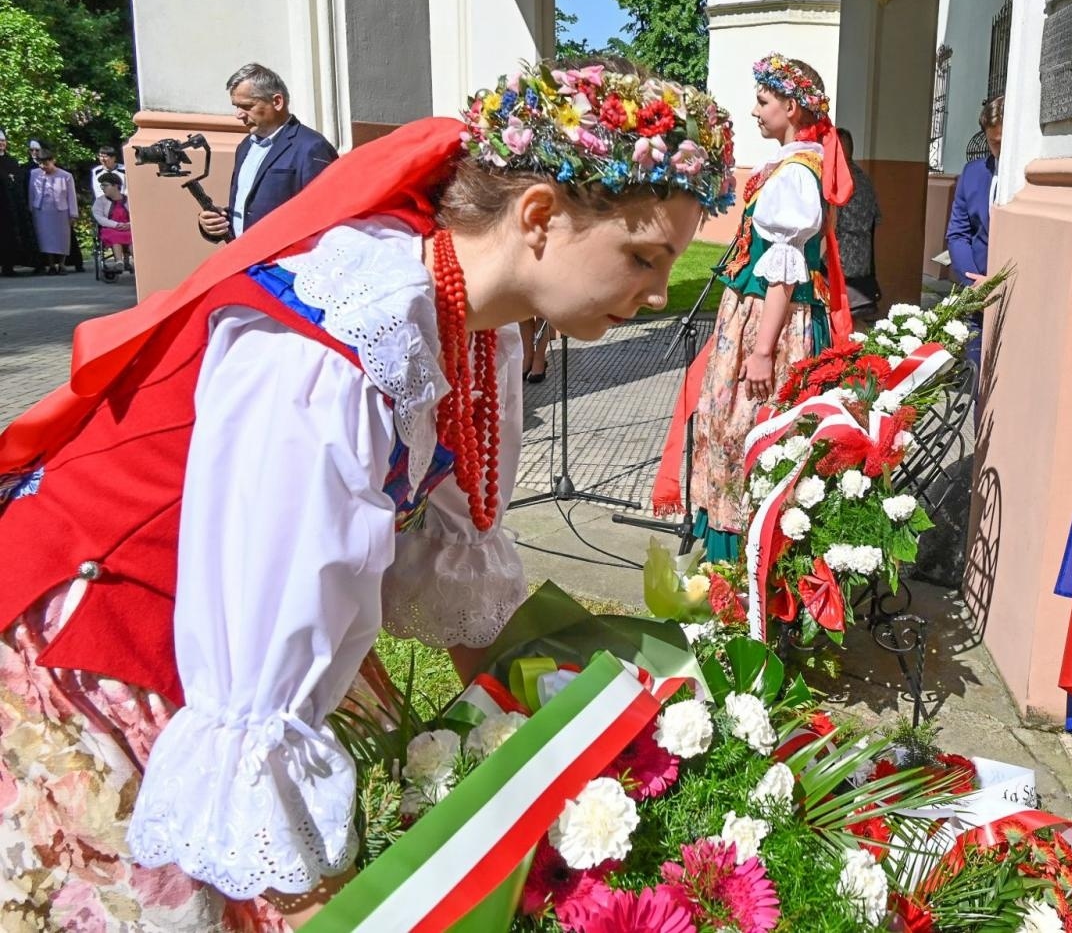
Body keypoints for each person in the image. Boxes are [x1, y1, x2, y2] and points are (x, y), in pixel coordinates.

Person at [0, 56, 736, 929]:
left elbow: (451, 556)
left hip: (266, 641)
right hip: (137, 639)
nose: (657, 294)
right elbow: (268, 623)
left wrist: (556, 728)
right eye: (643, 257)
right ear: (538, 216)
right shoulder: (341, 335)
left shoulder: (473, 323)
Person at [661, 52, 853, 563]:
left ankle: (740, 561)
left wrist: (763, 351)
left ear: (792, 107)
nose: (754, 110)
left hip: (769, 321)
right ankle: (730, 559)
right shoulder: (794, 166)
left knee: (745, 431)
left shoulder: (795, 175)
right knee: (730, 426)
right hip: (754, 316)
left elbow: (784, 275)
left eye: (763, 101)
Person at [198, 63, 339, 243]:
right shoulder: (245, 146)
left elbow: (325, 217)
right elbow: (249, 211)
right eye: (236, 106)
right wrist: (215, 224)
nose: (238, 115)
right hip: (244, 255)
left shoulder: (311, 147)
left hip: (284, 258)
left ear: (277, 102)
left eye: (247, 106)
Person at [945, 93, 1003, 370]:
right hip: (976, 296)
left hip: (1011, 293)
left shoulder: (1029, 176)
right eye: (994, 143)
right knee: (977, 373)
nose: (999, 150)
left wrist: (997, 282)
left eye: (1004, 142)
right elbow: (958, 233)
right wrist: (974, 284)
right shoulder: (973, 173)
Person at [835, 127, 883, 327]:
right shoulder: (864, 178)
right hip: (863, 256)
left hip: (842, 257)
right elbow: (877, 217)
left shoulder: (841, 179)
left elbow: (830, 222)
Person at [27, 147, 78, 275]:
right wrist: (30, 209)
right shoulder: (34, 174)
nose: (43, 166)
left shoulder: (66, 176)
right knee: (45, 239)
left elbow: (71, 196)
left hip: (61, 212)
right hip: (41, 211)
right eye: (40, 163)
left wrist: (73, 214)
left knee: (62, 238)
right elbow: (31, 193)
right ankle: (51, 265)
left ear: (53, 161)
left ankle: (61, 264)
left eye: (46, 163)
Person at [0, 131, 37, 276]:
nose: (1, 143)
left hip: (11, 205)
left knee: (10, 236)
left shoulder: (12, 160)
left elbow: (19, 178)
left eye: (3, 140)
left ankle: (8, 266)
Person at [93, 171, 133, 278]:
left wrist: (129, 224)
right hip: (110, 227)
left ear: (115, 185)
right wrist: (116, 225)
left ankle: (136, 261)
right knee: (114, 235)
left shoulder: (129, 200)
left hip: (128, 227)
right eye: (102, 186)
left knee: (133, 236)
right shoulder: (100, 201)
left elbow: (137, 215)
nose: (102, 188)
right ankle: (119, 262)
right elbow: (99, 217)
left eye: (105, 185)